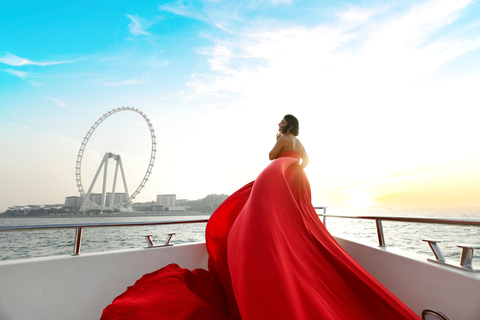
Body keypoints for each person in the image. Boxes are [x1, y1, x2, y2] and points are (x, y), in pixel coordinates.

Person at [101, 115, 420, 320]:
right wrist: (293, 170)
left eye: (281, 122)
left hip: (278, 174)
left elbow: (271, 156)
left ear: (287, 126)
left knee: (261, 211)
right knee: (294, 218)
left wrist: (279, 152)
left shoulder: (283, 139)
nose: (278, 124)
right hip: (295, 178)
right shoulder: (300, 144)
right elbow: (305, 161)